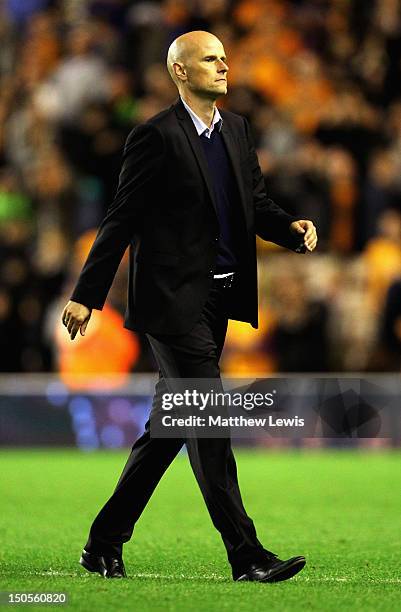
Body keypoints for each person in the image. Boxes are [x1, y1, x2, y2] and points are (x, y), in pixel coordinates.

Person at [62, 31, 317, 583]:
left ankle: (102, 542)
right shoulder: (154, 136)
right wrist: (88, 295)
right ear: (180, 72)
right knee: (208, 419)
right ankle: (246, 554)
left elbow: (255, 203)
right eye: (210, 58)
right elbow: (120, 219)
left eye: (225, 57)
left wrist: (290, 231)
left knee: (171, 427)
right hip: (171, 305)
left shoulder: (237, 130)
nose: (224, 65)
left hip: (217, 300)